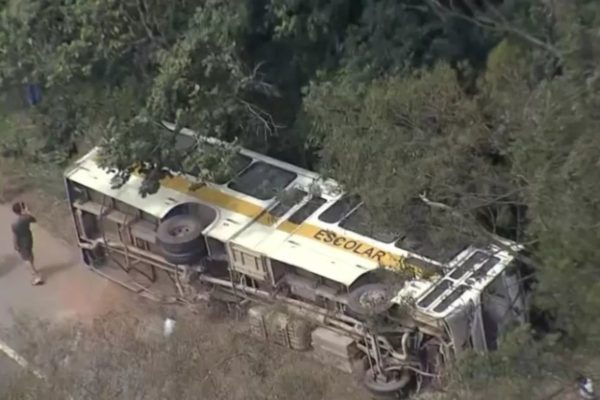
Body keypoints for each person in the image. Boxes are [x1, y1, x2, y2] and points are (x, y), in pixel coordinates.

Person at [11, 201, 43, 285]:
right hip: (29, 239)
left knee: (26, 259)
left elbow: (15, 236)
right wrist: (27, 212)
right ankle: (34, 269)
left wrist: (15, 245)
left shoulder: (14, 224)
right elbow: (34, 220)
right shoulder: (26, 218)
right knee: (30, 254)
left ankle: (36, 277)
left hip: (21, 242)